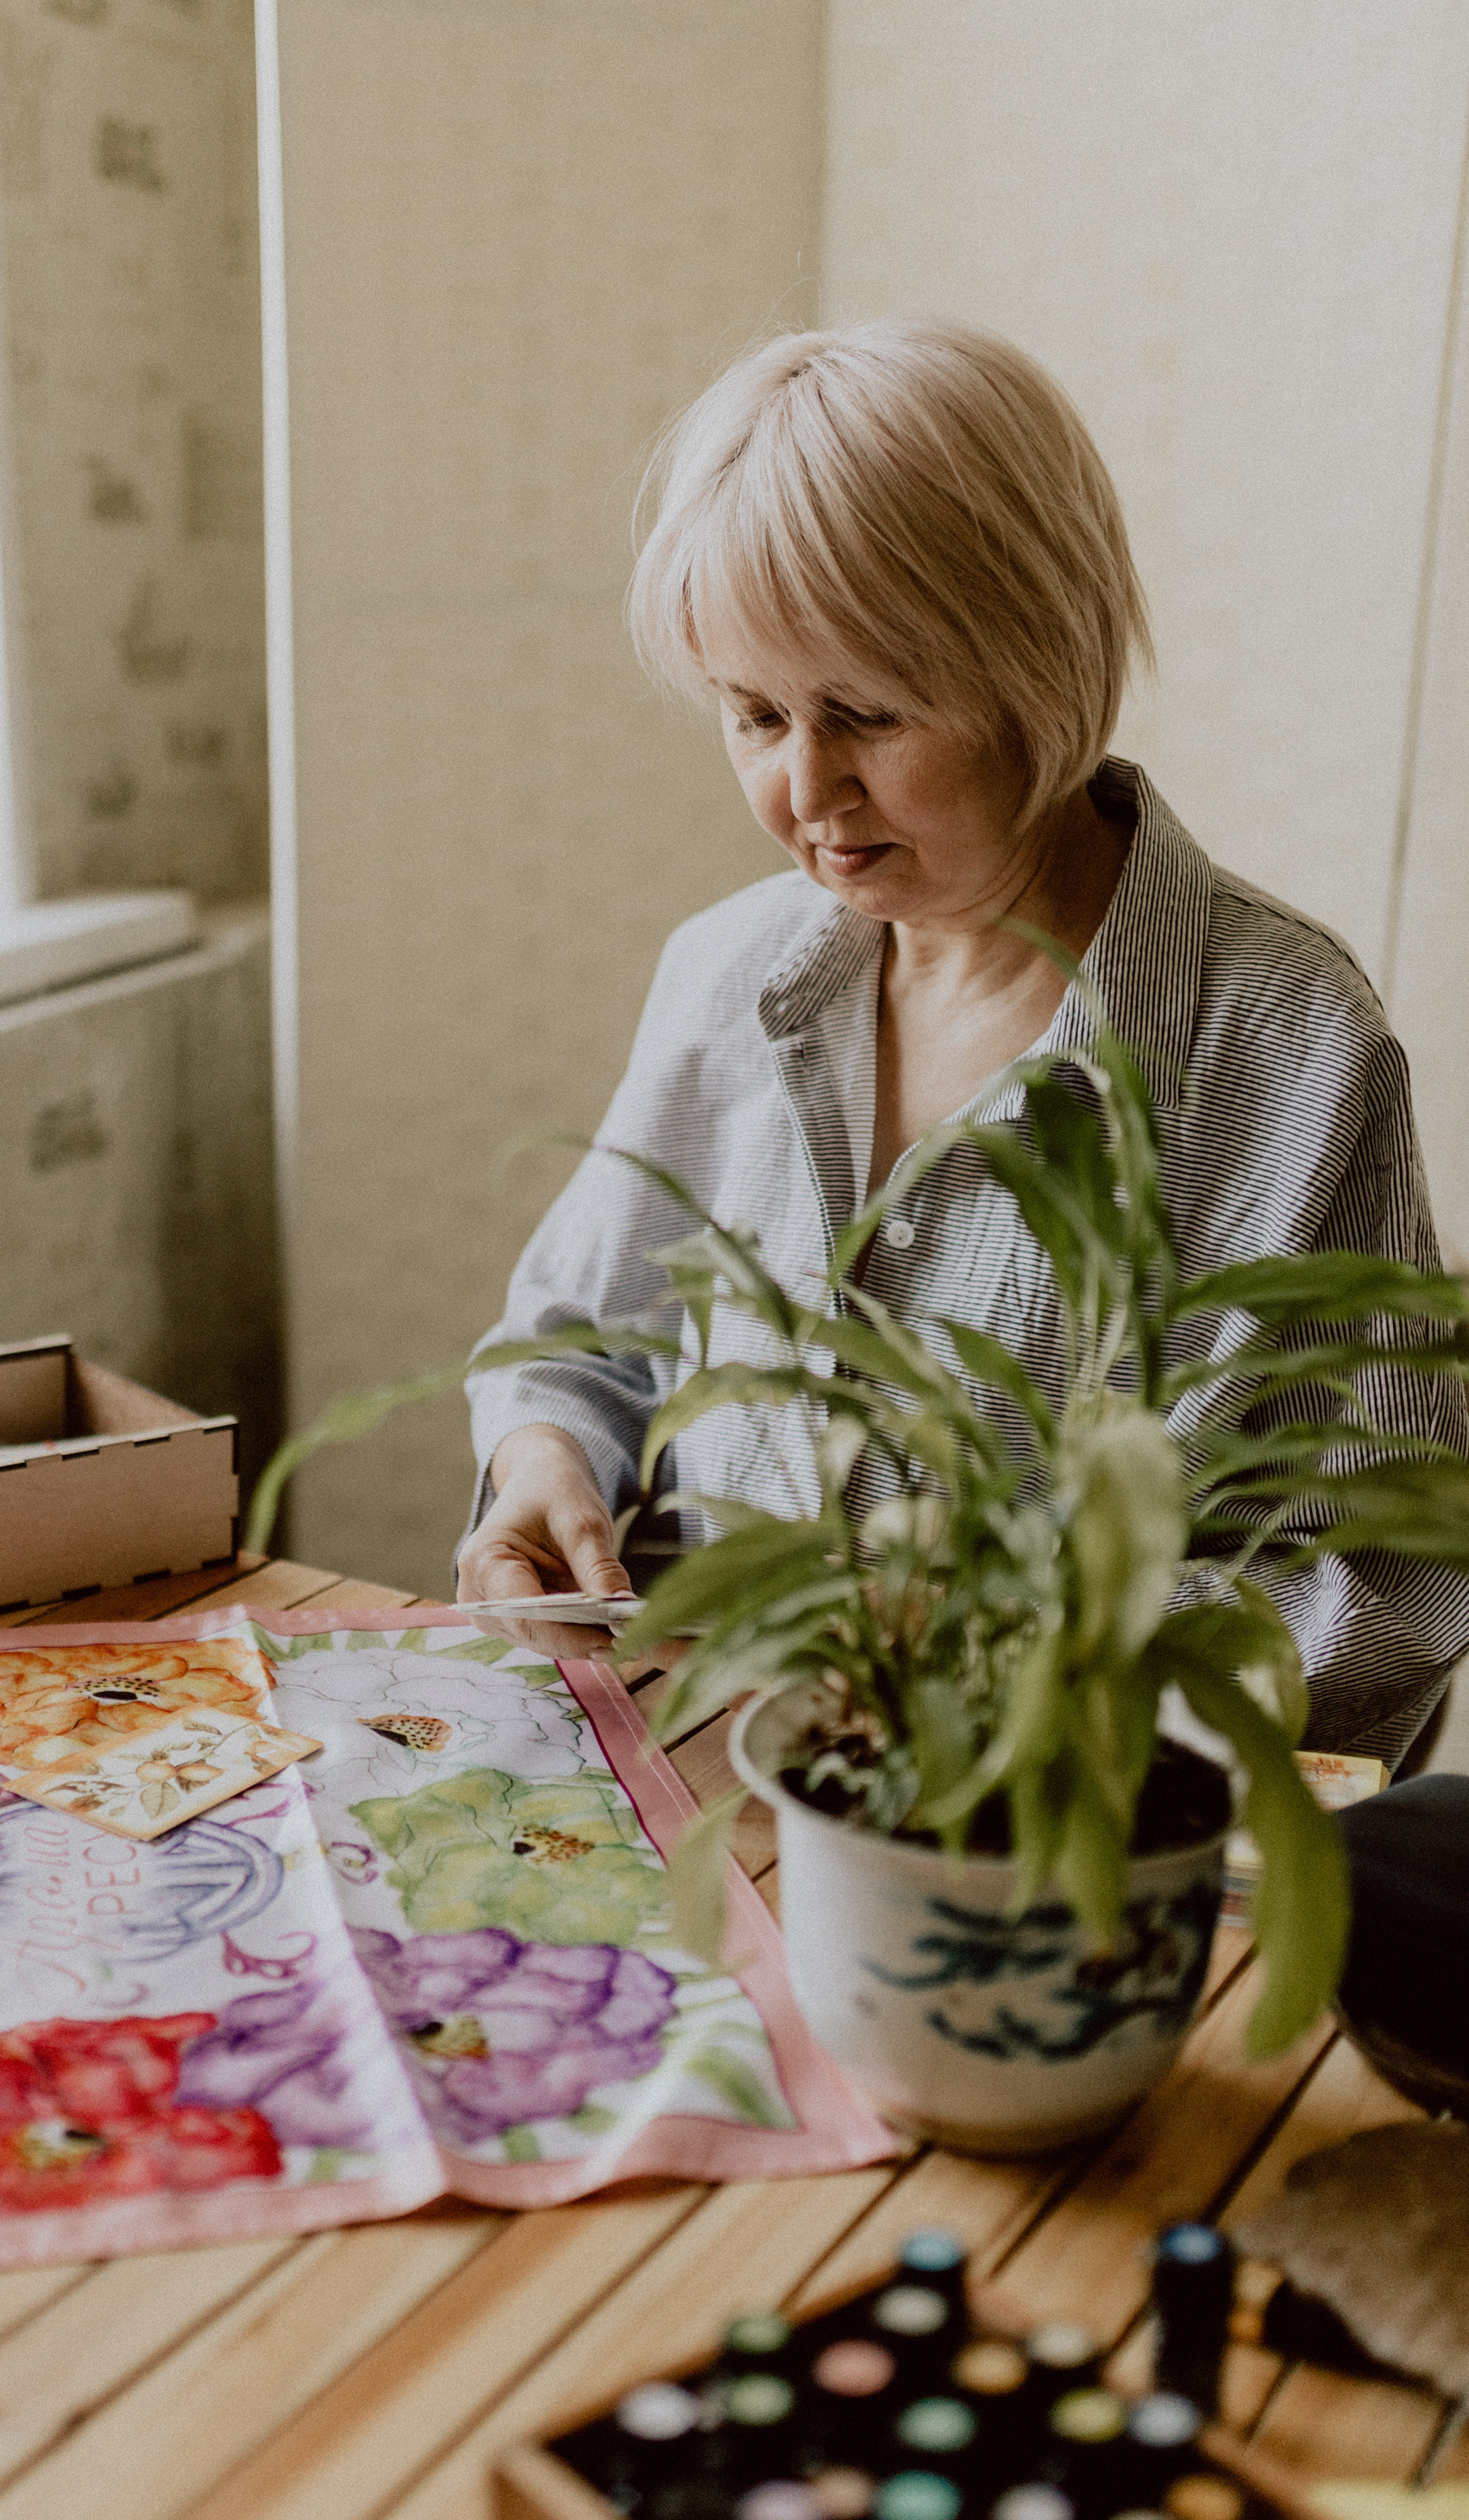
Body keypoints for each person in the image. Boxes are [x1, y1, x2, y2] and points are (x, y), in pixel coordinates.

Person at [458, 319, 1469, 1765]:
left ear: (1036, 671)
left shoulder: (1286, 1046)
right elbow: (579, 1335)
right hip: (701, 1778)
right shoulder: (724, 976)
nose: (805, 787)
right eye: (751, 716)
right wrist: (541, 1461)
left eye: (864, 714)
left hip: (1057, 1847)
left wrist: (1006, 1667)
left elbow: (1382, 1591)